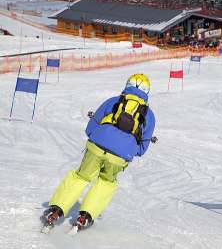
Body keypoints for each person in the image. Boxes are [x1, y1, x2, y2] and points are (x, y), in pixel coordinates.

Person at [41, 73, 156, 232]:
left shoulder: (114, 101)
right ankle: (85, 216)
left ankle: (56, 210)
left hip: (96, 145)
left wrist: (98, 137)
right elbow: (142, 149)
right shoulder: (149, 115)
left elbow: (91, 127)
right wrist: (127, 148)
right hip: (121, 156)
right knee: (106, 182)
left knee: (81, 176)